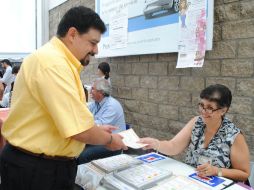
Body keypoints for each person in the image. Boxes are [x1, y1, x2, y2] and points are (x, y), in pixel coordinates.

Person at [0, 6, 127, 190]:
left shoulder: (54, 60)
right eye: (92, 42)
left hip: (40, 166)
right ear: (73, 34)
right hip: (36, 171)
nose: (96, 50)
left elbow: (58, 118)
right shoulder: (53, 63)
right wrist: (109, 140)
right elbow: (79, 130)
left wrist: (96, 129)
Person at [140, 84, 250, 182]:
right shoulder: (196, 122)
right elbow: (173, 146)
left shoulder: (234, 135)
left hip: (215, 184)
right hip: (191, 180)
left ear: (223, 110)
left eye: (210, 108)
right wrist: (156, 144)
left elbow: (244, 174)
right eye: (202, 105)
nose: (203, 111)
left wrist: (217, 171)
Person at [78, 78, 126, 164]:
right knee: (76, 147)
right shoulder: (96, 103)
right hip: (103, 138)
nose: (90, 91)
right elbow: (83, 112)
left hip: (114, 142)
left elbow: (99, 127)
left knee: (82, 155)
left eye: (93, 89)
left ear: (101, 92)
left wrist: (83, 123)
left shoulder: (112, 106)